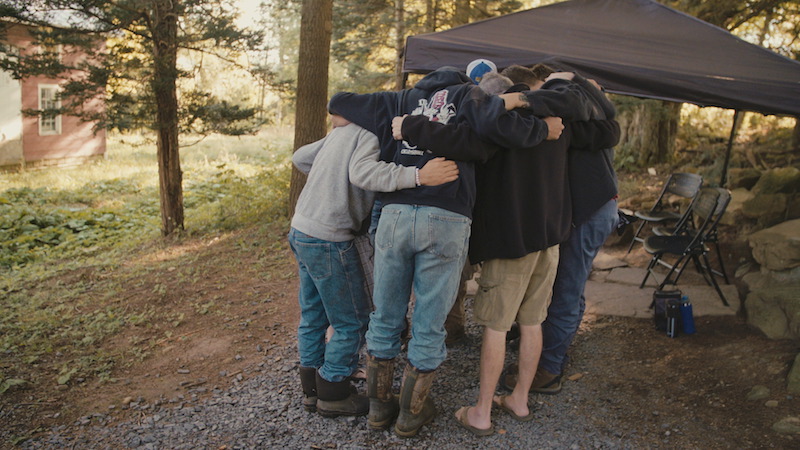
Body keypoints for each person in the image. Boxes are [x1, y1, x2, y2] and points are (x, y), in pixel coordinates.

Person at [328, 66, 567, 437]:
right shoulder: (471, 97)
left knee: (385, 317)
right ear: (463, 82)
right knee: (428, 324)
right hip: (446, 216)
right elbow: (488, 141)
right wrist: (540, 127)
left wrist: (402, 125)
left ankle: (378, 409)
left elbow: (339, 103)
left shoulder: (398, 100)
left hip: (395, 214)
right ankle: (410, 415)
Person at [394, 67, 620, 436]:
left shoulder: (497, 126)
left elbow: (457, 140)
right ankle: (519, 399)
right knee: (531, 323)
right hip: (549, 240)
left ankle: (482, 412)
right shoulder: (558, 123)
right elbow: (608, 130)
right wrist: (577, 84)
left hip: (512, 242)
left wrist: (409, 126)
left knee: (497, 328)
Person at [289, 111, 459, 418]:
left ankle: (311, 389)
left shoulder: (344, 130)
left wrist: (330, 178)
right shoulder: (372, 133)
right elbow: (362, 174)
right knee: (352, 321)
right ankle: (333, 390)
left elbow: (300, 157)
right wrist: (416, 176)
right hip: (329, 236)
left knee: (314, 313)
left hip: (302, 227)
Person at [501, 65, 622, 395]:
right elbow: (608, 125)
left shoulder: (566, 104)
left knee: (567, 286)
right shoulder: (585, 108)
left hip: (590, 208)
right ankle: (554, 349)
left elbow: (597, 127)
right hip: (595, 205)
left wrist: (530, 99)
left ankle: (549, 368)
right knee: (570, 284)